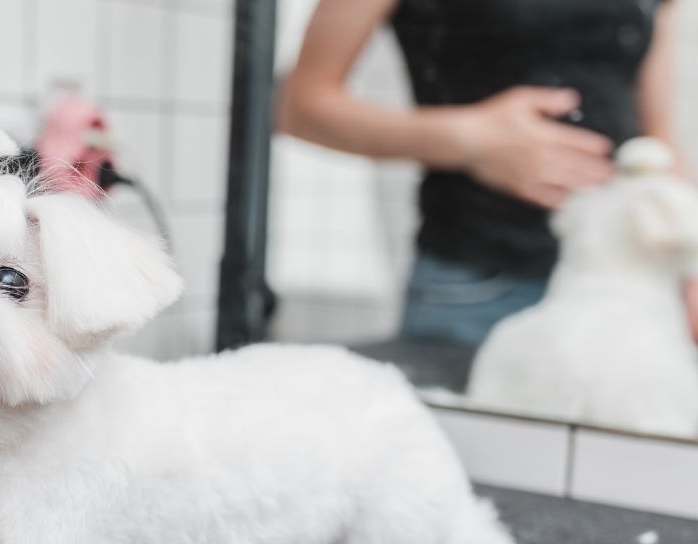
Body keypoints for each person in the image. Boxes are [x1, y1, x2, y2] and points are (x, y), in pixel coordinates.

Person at [277, 0, 698, 348]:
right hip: (480, 281)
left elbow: (656, 135)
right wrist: (469, 139)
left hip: (626, 284)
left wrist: (693, 265)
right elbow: (300, 106)